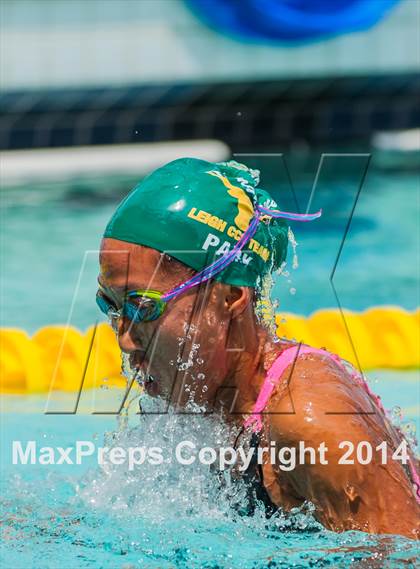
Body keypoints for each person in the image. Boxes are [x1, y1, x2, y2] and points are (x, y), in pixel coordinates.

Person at [97, 157, 419, 538]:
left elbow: (401, 556)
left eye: (144, 306)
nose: (124, 336)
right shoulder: (208, 403)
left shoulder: (312, 426)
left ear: (231, 296)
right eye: (111, 305)